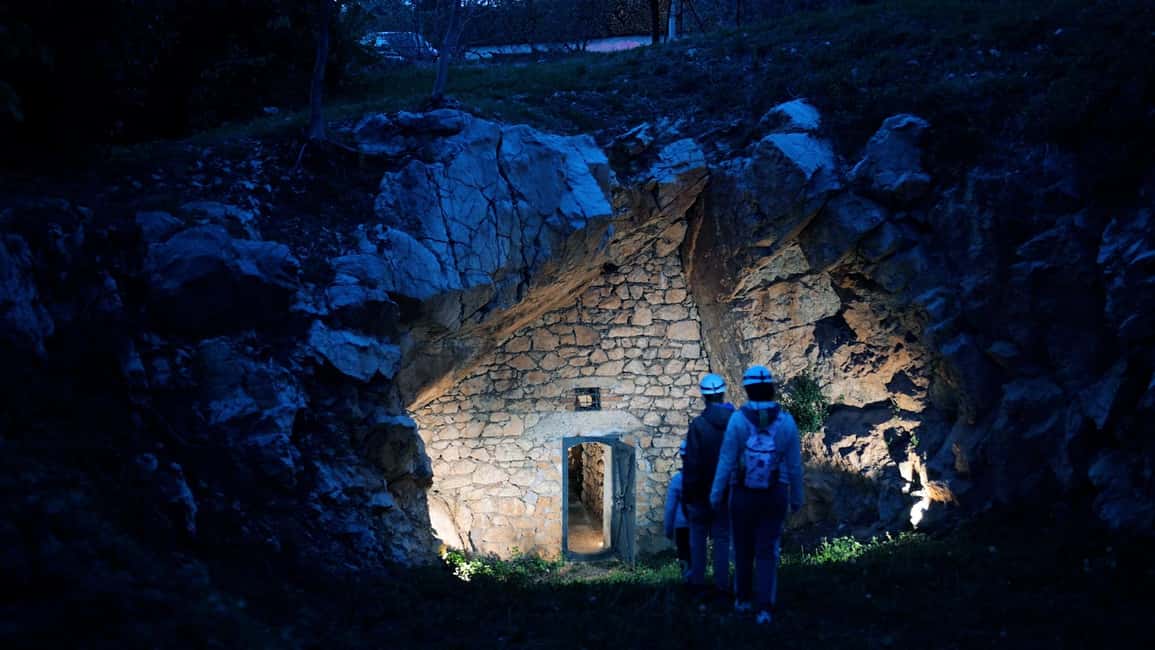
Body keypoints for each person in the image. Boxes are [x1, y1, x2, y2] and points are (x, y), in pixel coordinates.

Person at [709, 365, 804, 625]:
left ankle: (742, 601)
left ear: (748, 389)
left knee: (742, 549)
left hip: (742, 494)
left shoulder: (738, 421)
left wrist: (716, 494)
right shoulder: (786, 422)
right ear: (771, 388)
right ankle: (765, 608)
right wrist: (797, 497)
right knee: (767, 550)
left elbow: (726, 460)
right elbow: (794, 465)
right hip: (775, 494)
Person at [682, 373, 734, 596]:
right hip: (728, 491)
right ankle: (723, 585)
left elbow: (692, 464)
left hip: (702, 492)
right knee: (723, 538)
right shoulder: (737, 422)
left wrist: (688, 494)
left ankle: (698, 584)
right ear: (723, 393)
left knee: (698, 538)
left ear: (703, 396)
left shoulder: (699, 425)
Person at [663, 441, 691, 582]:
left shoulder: (677, 480)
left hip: (681, 525)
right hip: (698, 523)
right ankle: (698, 581)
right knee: (697, 553)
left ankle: (686, 579)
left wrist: (668, 529)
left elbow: (670, 508)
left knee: (684, 554)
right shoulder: (703, 477)